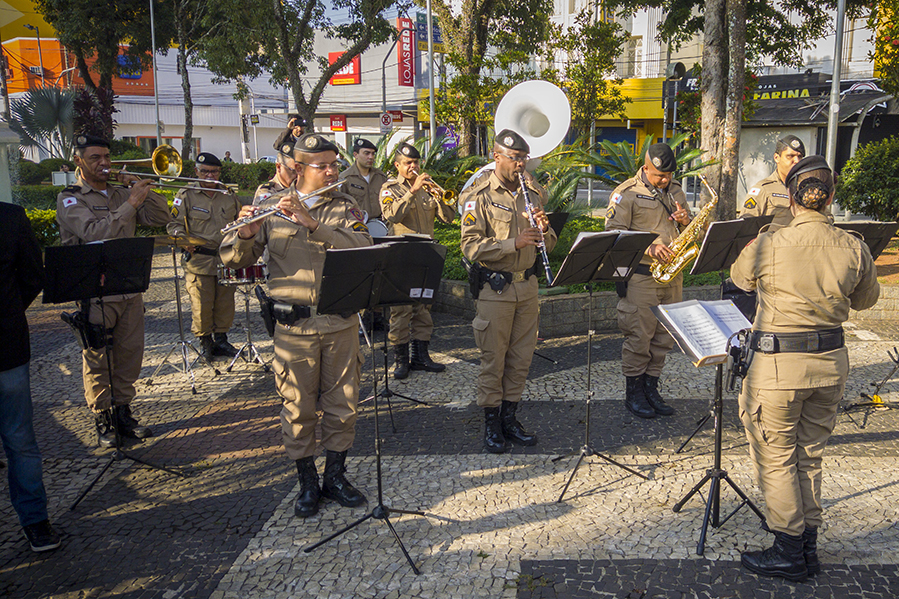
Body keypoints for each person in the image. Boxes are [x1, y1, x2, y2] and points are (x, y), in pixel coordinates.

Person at [731, 155, 879, 581]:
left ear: (791, 199)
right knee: (809, 455)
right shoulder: (854, 246)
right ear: (829, 198)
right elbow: (866, 300)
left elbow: (740, 279)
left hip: (778, 369)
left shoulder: (769, 243)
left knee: (776, 457)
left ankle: (789, 550)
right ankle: (808, 544)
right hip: (829, 367)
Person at [220, 133, 372, 518]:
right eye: (323, 166)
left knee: (343, 404)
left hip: (339, 323)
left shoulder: (346, 205)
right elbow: (233, 259)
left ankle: (335, 477)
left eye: (335, 165)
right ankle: (307, 481)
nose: (332, 171)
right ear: (299, 169)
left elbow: (364, 247)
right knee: (297, 406)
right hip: (294, 328)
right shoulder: (270, 207)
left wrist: (313, 224)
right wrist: (245, 235)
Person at [56, 134, 171, 448]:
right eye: (95, 157)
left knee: (129, 355)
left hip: (128, 288)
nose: (104, 163)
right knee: (98, 358)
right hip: (95, 291)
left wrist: (141, 189)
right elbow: (93, 231)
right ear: (79, 161)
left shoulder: (122, 192)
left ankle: (123, 412)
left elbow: (161, 218)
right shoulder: (71, 198)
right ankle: (103, 417)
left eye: (106, 156)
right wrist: (130, 204)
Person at [460, 129, 557, 454]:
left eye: (523, 158)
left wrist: (545, 229)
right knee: (494, 360)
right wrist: (512, 243)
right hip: (496, 290)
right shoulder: (480, 195)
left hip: (527, 288)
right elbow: (470, 245)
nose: (520, 164)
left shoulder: (532, 194)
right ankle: (491, 424)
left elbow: (549, 244)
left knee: (520, 359)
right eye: (514, 158)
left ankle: (510, 418)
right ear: (496, 156)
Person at [605, 143, 692, 419]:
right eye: (659, 175)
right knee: (639, 336)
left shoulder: (675, 190)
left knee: (664, 337)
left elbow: (690, 230)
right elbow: (613, 233)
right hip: (641, 276)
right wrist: (649, 247)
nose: (665, 180)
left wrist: (686, 221)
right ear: (645, 168)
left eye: (669, 175)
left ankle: (651, 389)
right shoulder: (626, 193)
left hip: (672, 275)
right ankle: (634, 393)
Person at [0, 203, 61, 553]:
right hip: (7, 342)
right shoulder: (10, 216)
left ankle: (36, 520)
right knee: (20, 440)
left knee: (20, 439)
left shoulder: (10, 217)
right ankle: (36, 523)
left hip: (7, 348)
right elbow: (33, 277)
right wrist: (9, 310)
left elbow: (33, 276)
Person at [380, 142, 456, 379]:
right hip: (402, 256)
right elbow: (392, 215)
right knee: (401, 310)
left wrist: (441, 198)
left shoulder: (427, 187)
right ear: (397, 165)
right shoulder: (389, 189)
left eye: (415, 162)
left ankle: (421, 356)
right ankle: (401, 360)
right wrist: (412, 191)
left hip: (425, 255)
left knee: (423, 308)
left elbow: (449, 218)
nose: (412, 167)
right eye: (407, 163)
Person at [167, 152, 243, 361]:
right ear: (196, 172)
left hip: (225, 258)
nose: (210, 176)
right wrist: (183, 240)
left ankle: (222, 339)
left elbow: (240, 220)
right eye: (205, 172)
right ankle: (205, 342)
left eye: (214, 172)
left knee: (225, 302)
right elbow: (173, 225)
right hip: (199, 260)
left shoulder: (228, 194)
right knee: (201, 303)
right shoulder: (186, 195)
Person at [739, 135, 805, 226]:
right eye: (790, 156)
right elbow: (746, 226)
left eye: (800, 156)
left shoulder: (805, 189)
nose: (796, 161)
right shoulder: (763, 189)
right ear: (776, 158)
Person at [340, 137, 389, 222]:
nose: (371, 157)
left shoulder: (380, 177)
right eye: (366, 153)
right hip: (356, 224)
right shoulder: (346, 178)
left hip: (380, 223)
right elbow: (340, 207)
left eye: (373, 154)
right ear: (356, 155)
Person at [254, 130, 298, 207]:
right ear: (279, 167)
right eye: (293, 171)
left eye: (300, 170)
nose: (298, 175)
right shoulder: (266, 191)